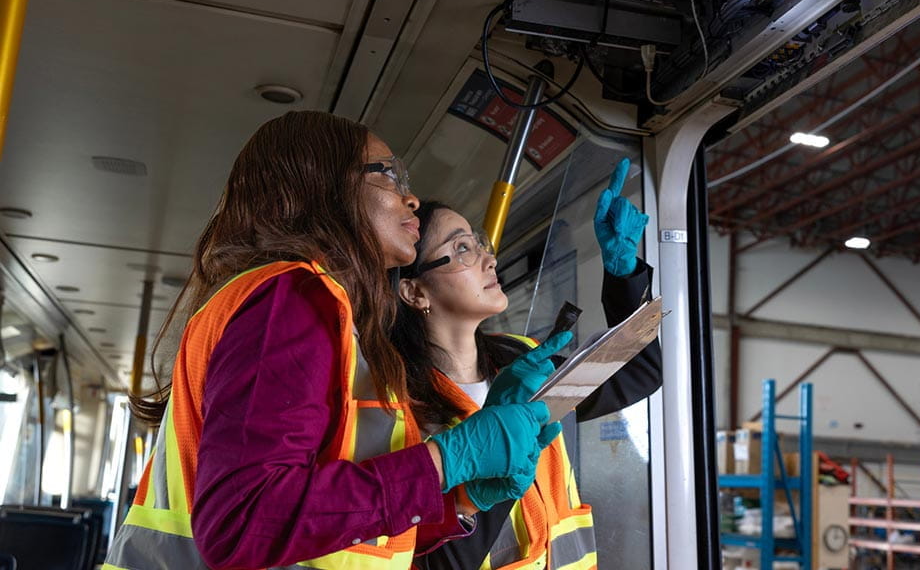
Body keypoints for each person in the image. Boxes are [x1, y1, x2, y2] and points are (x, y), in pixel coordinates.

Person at [103, 111, 557, 570]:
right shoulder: (290, 297)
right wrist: (443, 461)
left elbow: (343, 532)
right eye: (388, 175)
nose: (412, 198)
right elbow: (244, 522)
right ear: (325, 186)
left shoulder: (331, 317)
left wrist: (460, 498)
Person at [390, 159, 662, 570]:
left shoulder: (521, 358)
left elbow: (641, 374)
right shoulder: (398, 404)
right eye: (461, 248)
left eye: (480, 245)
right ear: (414, 292)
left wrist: (624, 274)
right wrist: (479, 493)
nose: (489, 260)